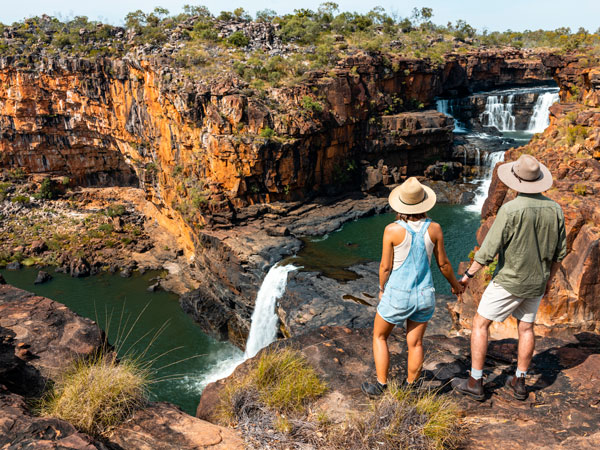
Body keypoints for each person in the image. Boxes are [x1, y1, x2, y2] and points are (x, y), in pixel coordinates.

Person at [452, 154, 567, 401]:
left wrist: (468, 275)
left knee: (480, 324)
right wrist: (548, 280)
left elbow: (488, 249)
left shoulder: (510, 209)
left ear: (516, 181)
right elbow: (560, 253)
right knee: (526, 328)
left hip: (509, 281)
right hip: (537, 281)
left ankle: (475, 381)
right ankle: (520, 382)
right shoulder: (555, 209)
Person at [361, 177, 464, 397]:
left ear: (401, 204)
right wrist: (455, 286)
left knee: (379, 336)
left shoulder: (392, 230)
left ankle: (380, 385)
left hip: (398, 295)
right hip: (425, 295)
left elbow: (385, 267)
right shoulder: (434, 228)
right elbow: (443, 264)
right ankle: (412, 386)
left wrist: (382, 288)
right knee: (415, 343)